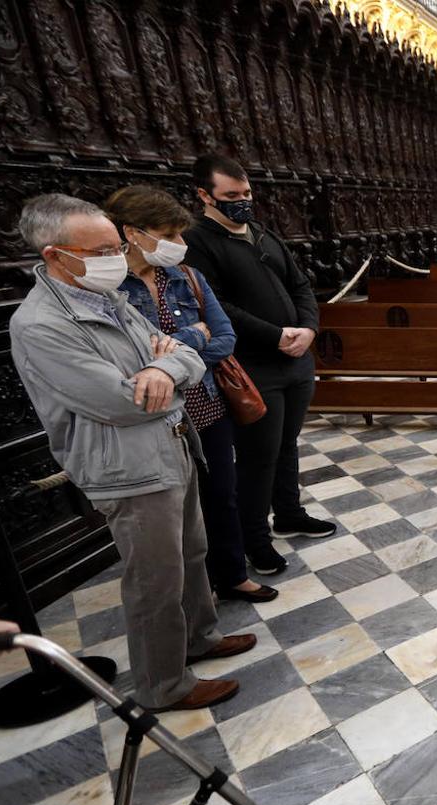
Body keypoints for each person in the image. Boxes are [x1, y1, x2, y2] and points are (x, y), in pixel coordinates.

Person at [10, 194, 256, 710]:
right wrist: (163, 367)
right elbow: (123, 401)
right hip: (128, 467)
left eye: (116, 246)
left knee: (191, 555)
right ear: (57, 256)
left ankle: (200, 638)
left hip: (172, 444)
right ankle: (163, 685)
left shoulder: (109, 300)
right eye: (101, 249)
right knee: (154, 582)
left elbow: (186, 353)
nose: (115, 257)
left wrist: (164, 366)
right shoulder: (42, 325)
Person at [104, 185, 278, 604]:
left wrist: (170, 356)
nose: (180, 244)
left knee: (222, 494)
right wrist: (189, 339)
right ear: (133, 232)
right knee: (176, 512)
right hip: (157, 415)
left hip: (207, 404)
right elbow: (126, 360)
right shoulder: (110, 290)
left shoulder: (186, 277)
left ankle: (233, 574)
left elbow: (223, 339)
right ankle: (189, 595)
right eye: (169, 234)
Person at [183, 155, 334, 576]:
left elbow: (300, 285)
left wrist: (308, 327)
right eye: (231, 196)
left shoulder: (263, 234)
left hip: (296, 361)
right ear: (204, 195)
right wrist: (275, 336)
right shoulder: (198, 242)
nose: (243, 201)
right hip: (253, 367)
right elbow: (215, 305)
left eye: (246, 193)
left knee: (287, 443)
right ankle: (256, 539)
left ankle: (288, 512)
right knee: (258, 457)